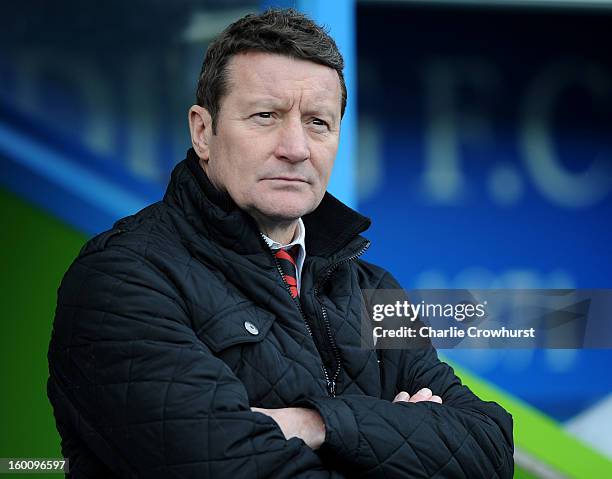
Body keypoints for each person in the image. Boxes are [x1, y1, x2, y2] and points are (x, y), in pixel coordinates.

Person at [47, 8, 514, 478]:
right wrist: (401, 435)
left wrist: (317, 424)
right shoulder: (121, 282)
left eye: (318, 122)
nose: (295, 147)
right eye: (266, 116)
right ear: (203, 132)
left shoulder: (373, 291)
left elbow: (491, 450)